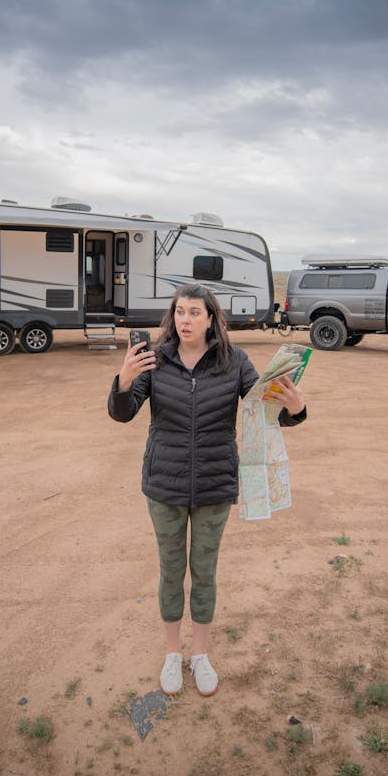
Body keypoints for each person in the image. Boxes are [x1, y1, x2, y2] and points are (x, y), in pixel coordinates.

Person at [107, 283, 307, 698]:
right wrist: (124, 380)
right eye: (180, 312)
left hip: (216, 485)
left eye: (195, 313)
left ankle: (199, 655)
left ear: (212, 318)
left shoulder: (234, 361)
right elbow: (123, 414)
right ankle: (171, 654)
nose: (185, 320)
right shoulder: (155, 359)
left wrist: (295, 408)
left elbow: (261, 411)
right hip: (164, 484)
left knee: (204, 573)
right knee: (170, 571)